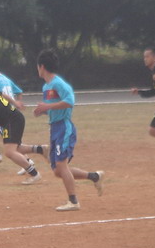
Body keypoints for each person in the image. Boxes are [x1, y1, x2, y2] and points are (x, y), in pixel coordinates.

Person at [33, 49, 104, 211]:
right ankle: (94, 176)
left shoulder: (58, 83)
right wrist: (43, 111)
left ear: (41, 66)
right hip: (54, 128)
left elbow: (70, 101)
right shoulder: (46, 86)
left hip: (64, 127)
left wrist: (48, 106)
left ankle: (73, 201)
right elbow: (54, 107)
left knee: (61, 165)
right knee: (58, 171)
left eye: (37, 66)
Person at [0, 55, 32, 171]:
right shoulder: (5, 78)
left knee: (11, 143)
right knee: (0, 136)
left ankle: (27, 162)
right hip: (11, 113)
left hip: (3, 115)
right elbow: (19, 92)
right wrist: (17, 104)